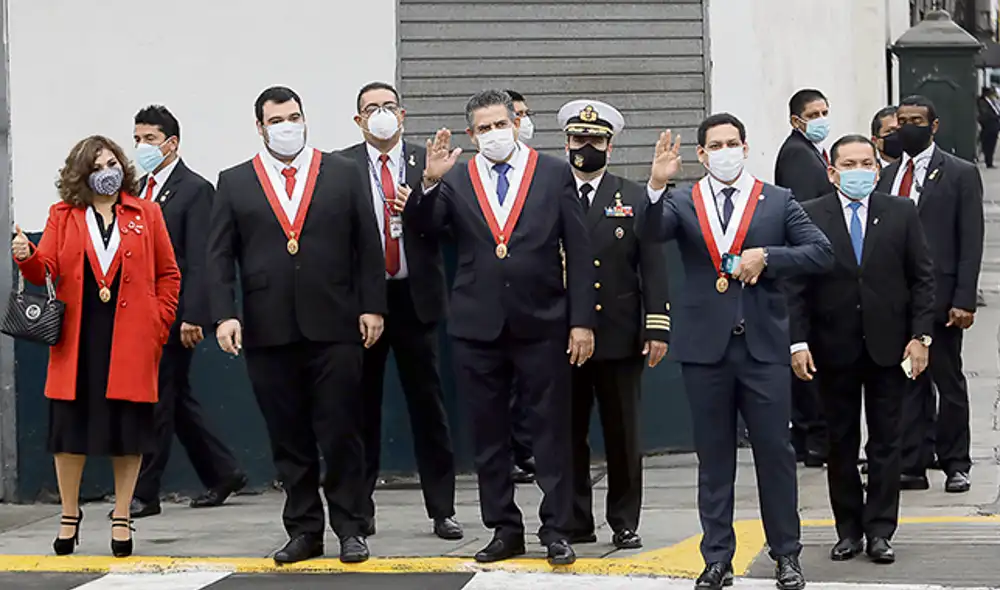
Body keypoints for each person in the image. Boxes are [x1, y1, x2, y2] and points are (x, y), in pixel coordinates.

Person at [403, 89, 596, 566]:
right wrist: (428, 180)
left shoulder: (553, 173)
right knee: (489, 435)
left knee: (550, 430)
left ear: (516, 123)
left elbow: (579, 246)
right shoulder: (457, 177)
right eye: (483, 128)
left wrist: (581, 322)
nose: (493, 134)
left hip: (543, 321)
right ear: (471, 135)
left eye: (499, 124)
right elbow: (423, 230)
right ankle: (503, 528)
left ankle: (557, 528)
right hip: (477, 325)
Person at [643, 113, 835, 590]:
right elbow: (648, 235)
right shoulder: (683, 201)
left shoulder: (776, 200)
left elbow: (821, 252)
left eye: (733, 143)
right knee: (714, 457)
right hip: (705, 348)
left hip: (763, 347)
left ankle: (786, 555)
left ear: (745, 148)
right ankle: (716, 558)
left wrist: (768, 257)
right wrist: (654, 184)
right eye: (715, 145)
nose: (725, 151)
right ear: (702, 155)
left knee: (775, 453)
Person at [207, 86, 385, 564]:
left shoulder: (343, 173)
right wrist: (225, 313)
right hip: (268, 329)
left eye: (295, 117)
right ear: (260, 127)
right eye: (277, 119)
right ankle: (305, 529)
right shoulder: (236, 181)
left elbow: (368, 244)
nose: (288, 126)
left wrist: (373, 306)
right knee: (289, 437)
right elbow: (219, 255)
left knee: (342, 429)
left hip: (335, 324)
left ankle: (351, 526)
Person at [11, 135, 180, 557]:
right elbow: (43, 269)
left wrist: (158, 323)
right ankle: (70, 515)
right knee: (70, 432)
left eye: (113, 163)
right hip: (77, 340)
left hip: (132, 339)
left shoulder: (146, 212)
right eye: (98, 166)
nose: (109, 172)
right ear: (82, 175)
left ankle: (122, 515)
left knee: (129, 432)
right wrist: (25, 255)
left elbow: (169, 274)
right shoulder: (63, 215)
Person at [787, 134, 935, 565]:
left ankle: (880, 530)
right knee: (840, 443)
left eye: (866, 163)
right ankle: (848, 529)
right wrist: (798, 343)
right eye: (849, 164)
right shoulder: (810, 216)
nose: (859, 171)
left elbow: (923, 279)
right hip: (833, 349)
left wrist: (920, 336)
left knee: (887, 442)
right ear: (833, 172)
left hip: (890, 347)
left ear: (877, 168)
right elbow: (796, 288)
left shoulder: (900, 212)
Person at [338, 82, 461, 541]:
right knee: (360, 409)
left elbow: (441, 227)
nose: (381, 114)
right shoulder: (340, 166)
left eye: (388, 106)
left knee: (428, 407)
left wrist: (427, 189)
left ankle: (443, 509)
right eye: (371, 108)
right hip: (363, 305)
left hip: (416, 299)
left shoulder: (427, 162)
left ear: (403, 114)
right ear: (358, 120)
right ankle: (359, 511)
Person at [555, 99, 670, 551]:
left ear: (611, 144)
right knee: (567, 434)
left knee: (624, 435)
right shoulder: (551, 192)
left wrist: (657, 326)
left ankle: (624, 520)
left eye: (596, 140)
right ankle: (575, 519)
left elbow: (653, 265)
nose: (587, 147)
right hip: (563, 335)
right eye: (580, 139)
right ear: (566, 142)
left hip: (620, 333)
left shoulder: (633, 196)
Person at [125, 105, 246, 519]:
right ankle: (224, 471)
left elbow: (200, 257)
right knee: (174, 399)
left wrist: (195, 314)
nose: (142, 146)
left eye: (150, 139)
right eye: (138, 139)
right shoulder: (139, 188)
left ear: (172, 143)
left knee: (158, 399)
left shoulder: (194, 189)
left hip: (175, 314)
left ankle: (145, 492)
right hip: (138, 313)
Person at [875, 95, 984, 494]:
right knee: (907, 381)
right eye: (901, 121)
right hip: (896, 300)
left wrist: (965, 298)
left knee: (947, 379)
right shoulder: (885, 177)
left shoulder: (959, 173)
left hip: (942, 299)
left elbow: (970, 240)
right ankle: (912, 462)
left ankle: (956, 461)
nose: (908, 127)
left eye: (917, 121)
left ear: (933, 126)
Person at [774, 88, 834, 469]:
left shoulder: (810, 152)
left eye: (825, 111)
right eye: (814, 113)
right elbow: (808, 209)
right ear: (797, 120)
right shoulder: (798, 154)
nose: (822, 119)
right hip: (806, 264)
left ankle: (808, 436)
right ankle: (814, 437)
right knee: (807, 350)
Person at [504, 89, 538, 485]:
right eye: (518, 114)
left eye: (527, 114)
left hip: (536, 295)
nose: (524, 121)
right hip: (497, 299)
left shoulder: (537, 168)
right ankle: (511, 452)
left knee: (531, 387)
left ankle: (527, 449)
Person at [977, 87, 1000, 168]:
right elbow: (985, 114)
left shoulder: (991, 101)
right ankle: (988, 161)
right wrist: (995, 116)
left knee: (992, 144)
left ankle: (990, 161)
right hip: (988, 127)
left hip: (994, 126)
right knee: (988, 145)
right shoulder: (982, 101)